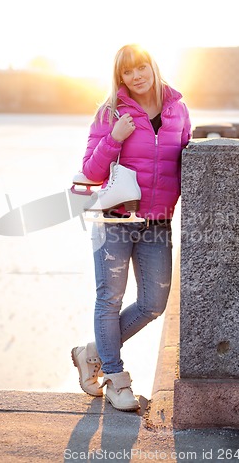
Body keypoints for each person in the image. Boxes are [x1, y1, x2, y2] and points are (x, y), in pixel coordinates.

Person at [71, 44, 191, 411]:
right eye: (127, 71)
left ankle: (91, 352)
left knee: (153, 304)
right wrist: (115, 137)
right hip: (115, 221)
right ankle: (115, 379)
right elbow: (90, 171)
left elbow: (188, 162)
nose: (136, 76)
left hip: (157, 222)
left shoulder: (178, 110)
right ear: (119, 77)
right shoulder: (110, 113)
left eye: (141, 67)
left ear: (153, 67)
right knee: (109, 299)